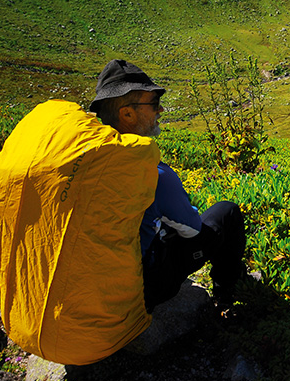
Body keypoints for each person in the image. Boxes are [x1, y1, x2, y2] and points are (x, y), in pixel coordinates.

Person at [89, 59, 247, 312]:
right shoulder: (153, 174)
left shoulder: (83, 161)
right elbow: (193, 231)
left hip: (88, 284)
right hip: (140, 289)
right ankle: (225, 294)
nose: (160, 110)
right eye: (153, 104)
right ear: (127, 113)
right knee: (226, 213)